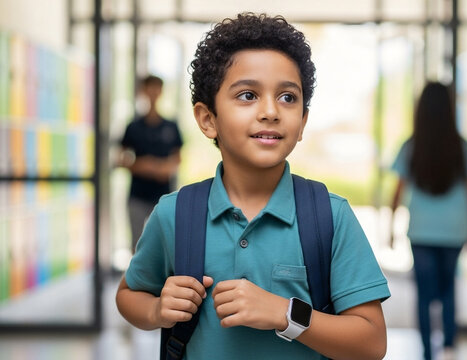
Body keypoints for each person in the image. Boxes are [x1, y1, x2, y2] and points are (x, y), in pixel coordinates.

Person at [116, 13, 390, 360]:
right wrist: (157, 311)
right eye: (247, 95)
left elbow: (371, 342)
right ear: (208, 119)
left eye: (288, 97)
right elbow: (128, 295)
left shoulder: (329, 216)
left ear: (303, 122)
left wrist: (285, 314)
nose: (271, 111)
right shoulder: (175, 213)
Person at [390, 82, 467, 360]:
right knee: (449, 289)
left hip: (422, 230)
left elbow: (398, 190)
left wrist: (390, 227)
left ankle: (428, 352)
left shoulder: (411, 145)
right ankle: (450, 348)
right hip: (454, 229)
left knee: (424, 294)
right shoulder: (461, 146)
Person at [118, 75, 183, 252]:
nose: (153, 93)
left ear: (161, 92)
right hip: (137, 195)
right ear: (143, 91)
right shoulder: (133, 127)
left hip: (163, 196)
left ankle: (164, 280)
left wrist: (163, 168)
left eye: (157, 89)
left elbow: (177, 159)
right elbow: (121, 159)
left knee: (165, 245)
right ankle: (138, 281)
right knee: (137, 245)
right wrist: (142, 166)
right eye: (149, 88)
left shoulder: (171, 126)